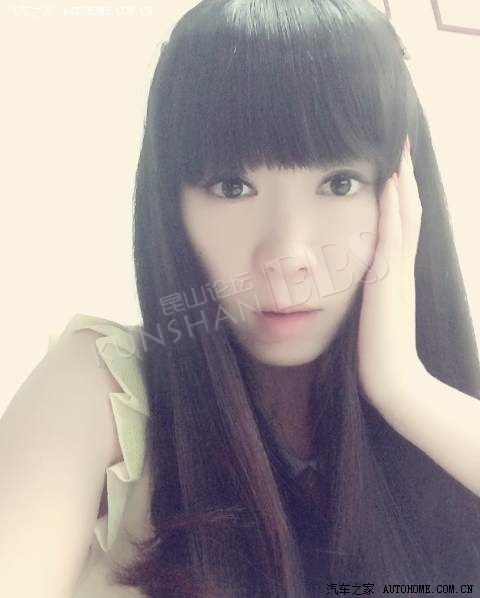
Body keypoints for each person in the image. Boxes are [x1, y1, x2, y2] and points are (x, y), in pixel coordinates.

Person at [1, 0, 480, 596]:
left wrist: (406, 388)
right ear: (171, 205)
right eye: (232, 186)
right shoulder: (100, 386)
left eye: (339, 183)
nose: (287, 254)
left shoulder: (444, 416)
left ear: (403, 196)